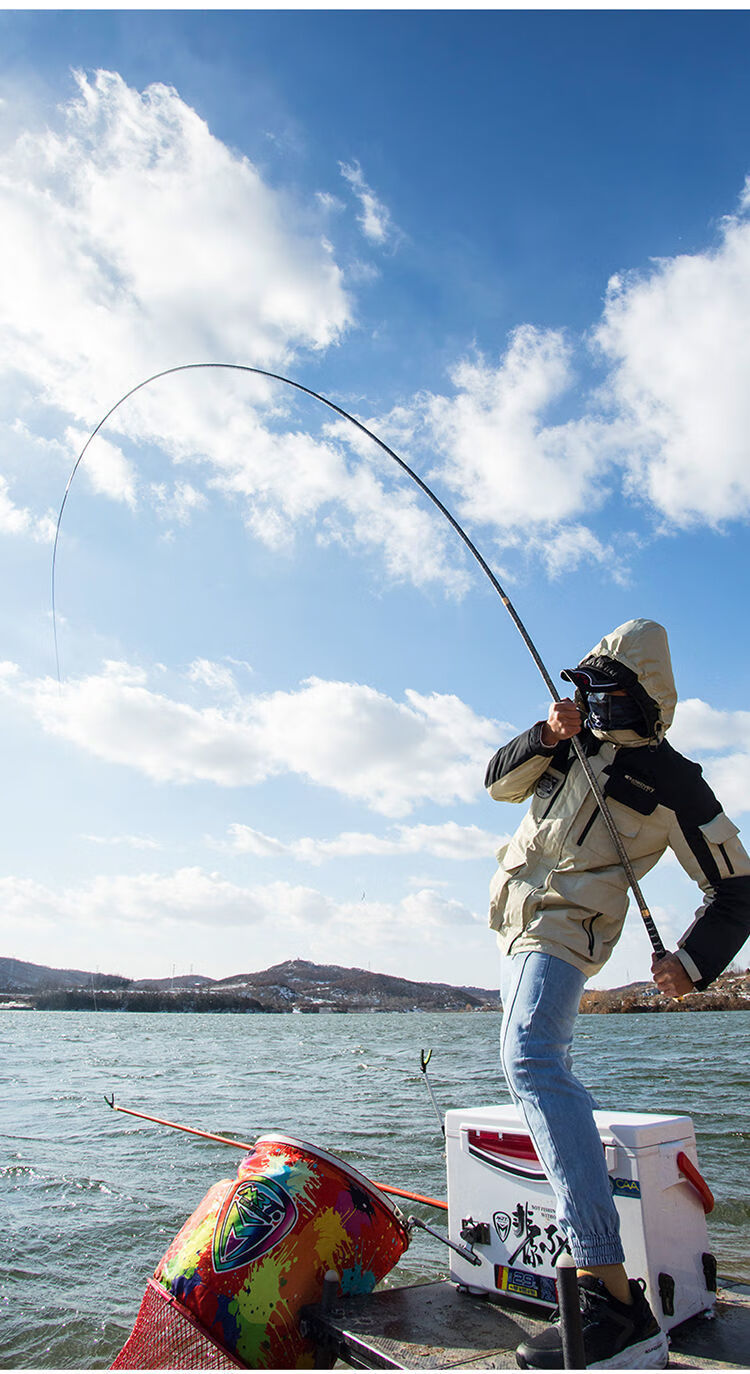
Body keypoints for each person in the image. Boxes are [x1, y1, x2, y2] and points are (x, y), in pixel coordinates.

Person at [485, 618, 750, 1370]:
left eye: (607, 690)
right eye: (587, 688)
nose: (593, 702)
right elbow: (496, 785)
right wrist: (542, 736)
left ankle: (611, 1293)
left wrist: (692, 965)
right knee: (532, 1067)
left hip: (566, 934)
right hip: (511, 924)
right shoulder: (565, 739)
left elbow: (737, 889)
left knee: (533, 1061)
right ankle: (598, 1277)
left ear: (643, 696)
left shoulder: (676, 781)